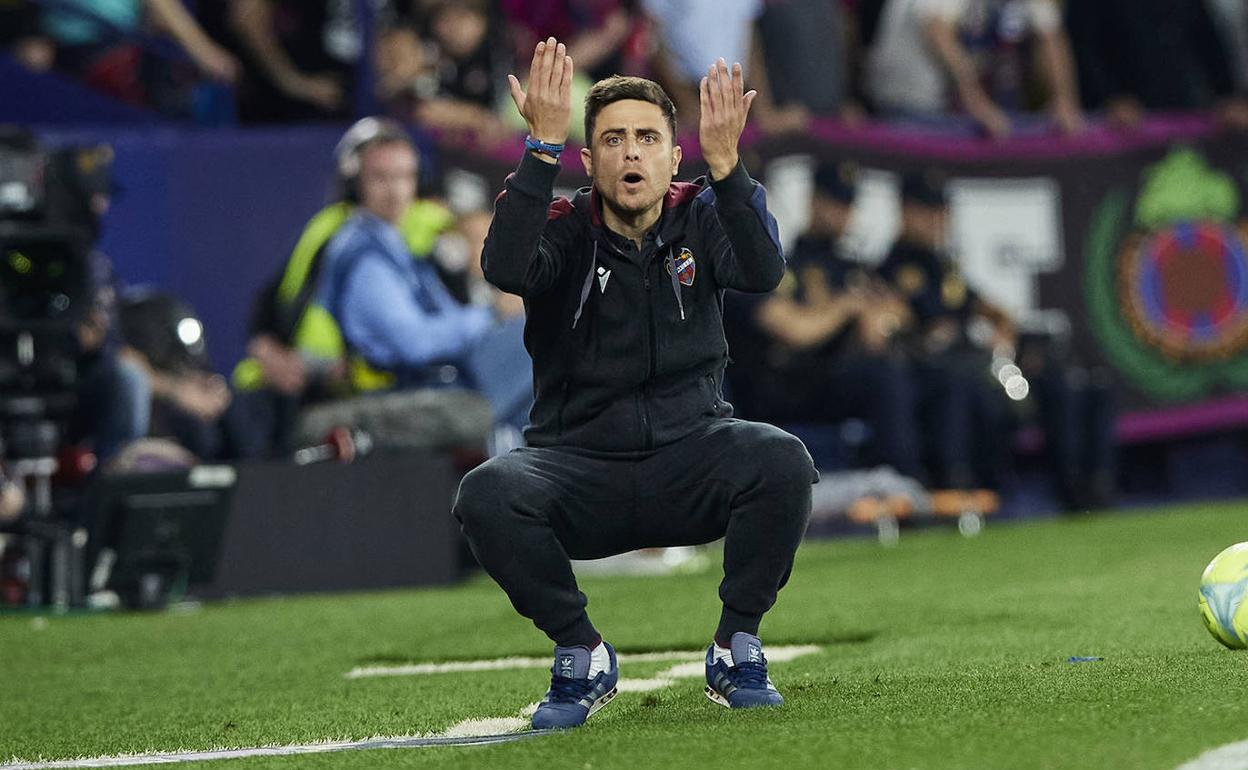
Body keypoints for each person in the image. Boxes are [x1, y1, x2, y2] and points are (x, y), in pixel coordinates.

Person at [453, 39, 817, 730]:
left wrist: (730, 169)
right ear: (588, 162)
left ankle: (736, 643)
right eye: (613, 140)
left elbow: (764, 270)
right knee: (487, 493)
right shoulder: (562, 227)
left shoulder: (703, 214)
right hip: (578, 465)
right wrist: (539, 150)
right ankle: (581, 651)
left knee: (781, 459)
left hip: (692, 454)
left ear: (673, 157)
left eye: (647, 138)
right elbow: (505, 268)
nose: (630, 153)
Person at [312, 118, 532, 431]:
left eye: (404, 177)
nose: (395, 191)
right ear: (355, 183)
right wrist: (492, 314)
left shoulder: (392, 244)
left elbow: (444, 315)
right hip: (402, 389)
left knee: (536, 391)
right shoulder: (365, 259)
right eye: (381, 178)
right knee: (540, 340)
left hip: (436, 379)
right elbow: (414, 343)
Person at [724, 159, 922, 479]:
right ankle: (901, 479)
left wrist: (873, 317)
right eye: (834, 203)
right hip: (777, 384)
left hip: (826, 378)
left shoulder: (846, 267)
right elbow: (795, 330)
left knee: (914, 371)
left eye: (847, 205)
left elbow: (897, 314)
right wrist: (848, 306)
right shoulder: (753, 266)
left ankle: (943, 479)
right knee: (882, 378)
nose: (842, 214)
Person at [865, 0, 1084, 138]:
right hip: (911, 107)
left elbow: (1050, 35)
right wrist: (977, 102)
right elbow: (936, 32)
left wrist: (1065, 99)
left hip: (956, 110)